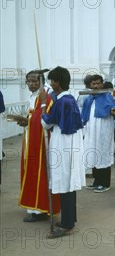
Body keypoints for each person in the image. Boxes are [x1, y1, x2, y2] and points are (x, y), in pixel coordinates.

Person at [39, 66, 86, 238]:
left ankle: (67, 224)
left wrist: (43, 105)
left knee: (66, 182)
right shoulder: (69, 99)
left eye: (52, 81)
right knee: (68, 181)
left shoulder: (61, 101)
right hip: (69, 143)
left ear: (58, 82)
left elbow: (46, 123)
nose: (50, 84)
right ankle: (70, 219)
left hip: (63, 144)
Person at [17, 70, 60, 222]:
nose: (32, 83)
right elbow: (33, 117)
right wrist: (26, 120)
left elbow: (45, 119)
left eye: (35, 81)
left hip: (40, 141)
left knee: (39, 171)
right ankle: (33, 206)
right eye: (29, 81)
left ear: (41, 82)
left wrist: (29, 120)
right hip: (30, 138)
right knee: (30, 170)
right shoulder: (32, 96)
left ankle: (40, 208)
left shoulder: (44, 97)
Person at [81, 74, 115, 192]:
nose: (96, 86)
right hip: (91, 130)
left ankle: (105, 183)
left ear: (102, 84)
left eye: (98, 83)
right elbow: (84, 114)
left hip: (103, 130)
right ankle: (97, 181)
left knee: (103, 153)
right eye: (94, 84)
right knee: (93, 153)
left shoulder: (107, 96)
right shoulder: (88, 98)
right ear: (90, 85)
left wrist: (113, 111)